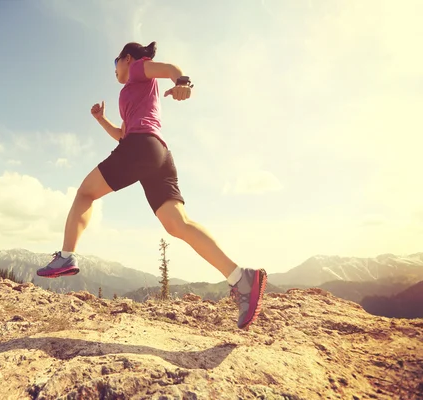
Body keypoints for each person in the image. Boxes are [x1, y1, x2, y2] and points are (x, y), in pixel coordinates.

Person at [37, 41, 267, 330]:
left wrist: (182, 82)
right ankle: (241, 278)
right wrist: (100, 119)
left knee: (85, 193)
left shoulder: (136, 68)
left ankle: (66, 257)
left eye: (115, 62)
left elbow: (171, 69)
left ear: (128, 58)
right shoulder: (133, 91)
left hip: (142, 147)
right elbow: (123, 134)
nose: (115, 69)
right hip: (158, 153)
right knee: (177, 223)